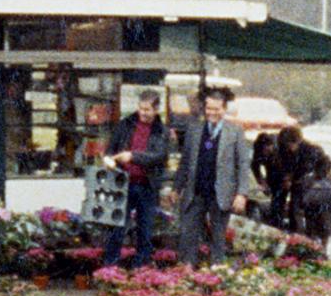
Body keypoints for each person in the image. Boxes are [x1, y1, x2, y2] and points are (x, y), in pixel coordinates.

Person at [172, 88, 249, 266]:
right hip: (196, 192)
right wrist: (177, 188)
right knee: (188, 235)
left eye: (216, 109)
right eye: (209, 108)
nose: (212, 113)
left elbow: (243, 165)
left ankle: (216, 273)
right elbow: (185, 162)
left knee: (218, 238)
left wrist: (241, 194)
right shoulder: (194, 129)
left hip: (221, 194)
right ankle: (187, 271)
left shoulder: (235, 131)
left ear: (224, 109)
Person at [103, 89, 169, 268]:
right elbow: (111, 148)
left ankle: (140, 269)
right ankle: (110, 267)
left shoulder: (161, 131)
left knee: (145, 230)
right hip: (123, 183)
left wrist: (133, 157)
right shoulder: (126, 124)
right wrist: (109, 158)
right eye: (141, 108)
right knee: (116, 227)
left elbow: (159, 156)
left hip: (147, 185)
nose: (143, 113)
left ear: (156, 110)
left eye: (147, 110)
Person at [276, 125, 324, 232]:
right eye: (287, 146)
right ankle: (297, 234)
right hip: (297, 186)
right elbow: (285, 166)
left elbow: (322, 166)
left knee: (311, 215)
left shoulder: (312, 150)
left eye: (291, 145)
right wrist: (287, 178)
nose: (289, 148)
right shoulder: (285, 152)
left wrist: (314, 177)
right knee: (294, 211)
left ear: (298, 141)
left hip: (311, 187)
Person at [302, 154, 331, 256]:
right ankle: (318, 251)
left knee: (319, 232)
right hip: (318, 211)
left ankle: (320, 251)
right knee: (317, 232)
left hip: (322, 211)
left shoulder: (327, 180)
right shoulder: (313, 180)